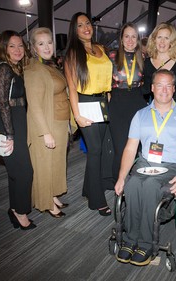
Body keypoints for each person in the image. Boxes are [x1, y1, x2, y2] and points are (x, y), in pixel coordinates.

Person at [114, 69, 176, 266]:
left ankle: (146, 244)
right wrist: (121, 177)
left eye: (168, 85)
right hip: (145, 163)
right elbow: (130, 148)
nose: (164, 90)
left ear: (174, 88)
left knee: (152, 186)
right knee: (133, 184)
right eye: (159, 85)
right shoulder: (141, 115)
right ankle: (129, 239)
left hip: (174, 165)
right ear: (152, 88)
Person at [64, 12, 113, 216]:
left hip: (103, 102)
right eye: (80, 25)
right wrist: (77, 115)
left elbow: (106, 75)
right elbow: (72, 87)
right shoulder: (73, 53)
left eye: (87, 23)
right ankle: (97, 199)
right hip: (85, 104)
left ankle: (87, 189)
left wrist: (108, 94)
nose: (85, 28)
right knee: (95, 151)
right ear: (74, 31)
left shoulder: (100, 49)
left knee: (100, 150)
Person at [24, 27, 70, 218]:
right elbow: (34, 105)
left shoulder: (50, 65)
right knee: (45, 166)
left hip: (59, 121)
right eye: (41, 43)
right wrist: (46, 132)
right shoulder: (34, 69)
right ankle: (46, 202)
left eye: (49, 42)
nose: (46, 46)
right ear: (34, 48)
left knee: (56, 163)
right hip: (47, 124)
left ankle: (52, 194)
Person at [0, 30, 35, 230]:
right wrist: (10, 134)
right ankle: (20, 210)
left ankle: (14, 208)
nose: (18, 50)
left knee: (15, 171)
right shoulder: (3, 69)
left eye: (20, 45)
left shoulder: (15, 67)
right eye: (12, 46)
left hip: (17, 120)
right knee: (25, 171)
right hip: (9, 123)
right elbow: (2, 103)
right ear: (4, 49)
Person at [108, 23, 147, 180]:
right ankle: (119, 183)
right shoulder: (111, 56)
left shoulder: (143, 58)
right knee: (120, 148)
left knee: (136, 147)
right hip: (117, 104)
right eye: (127, 36)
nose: (130, 40)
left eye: (133, 36)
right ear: (121, 39)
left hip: (137, 103)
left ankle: (134, 182)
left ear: (137, 39)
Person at [142, 22, 176, 105]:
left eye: (166, 38)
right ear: (154, 40)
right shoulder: (147, 63)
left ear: (171, 42)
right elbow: (146, 89)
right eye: (159, 37)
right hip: (158, 108)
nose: (162, 41)